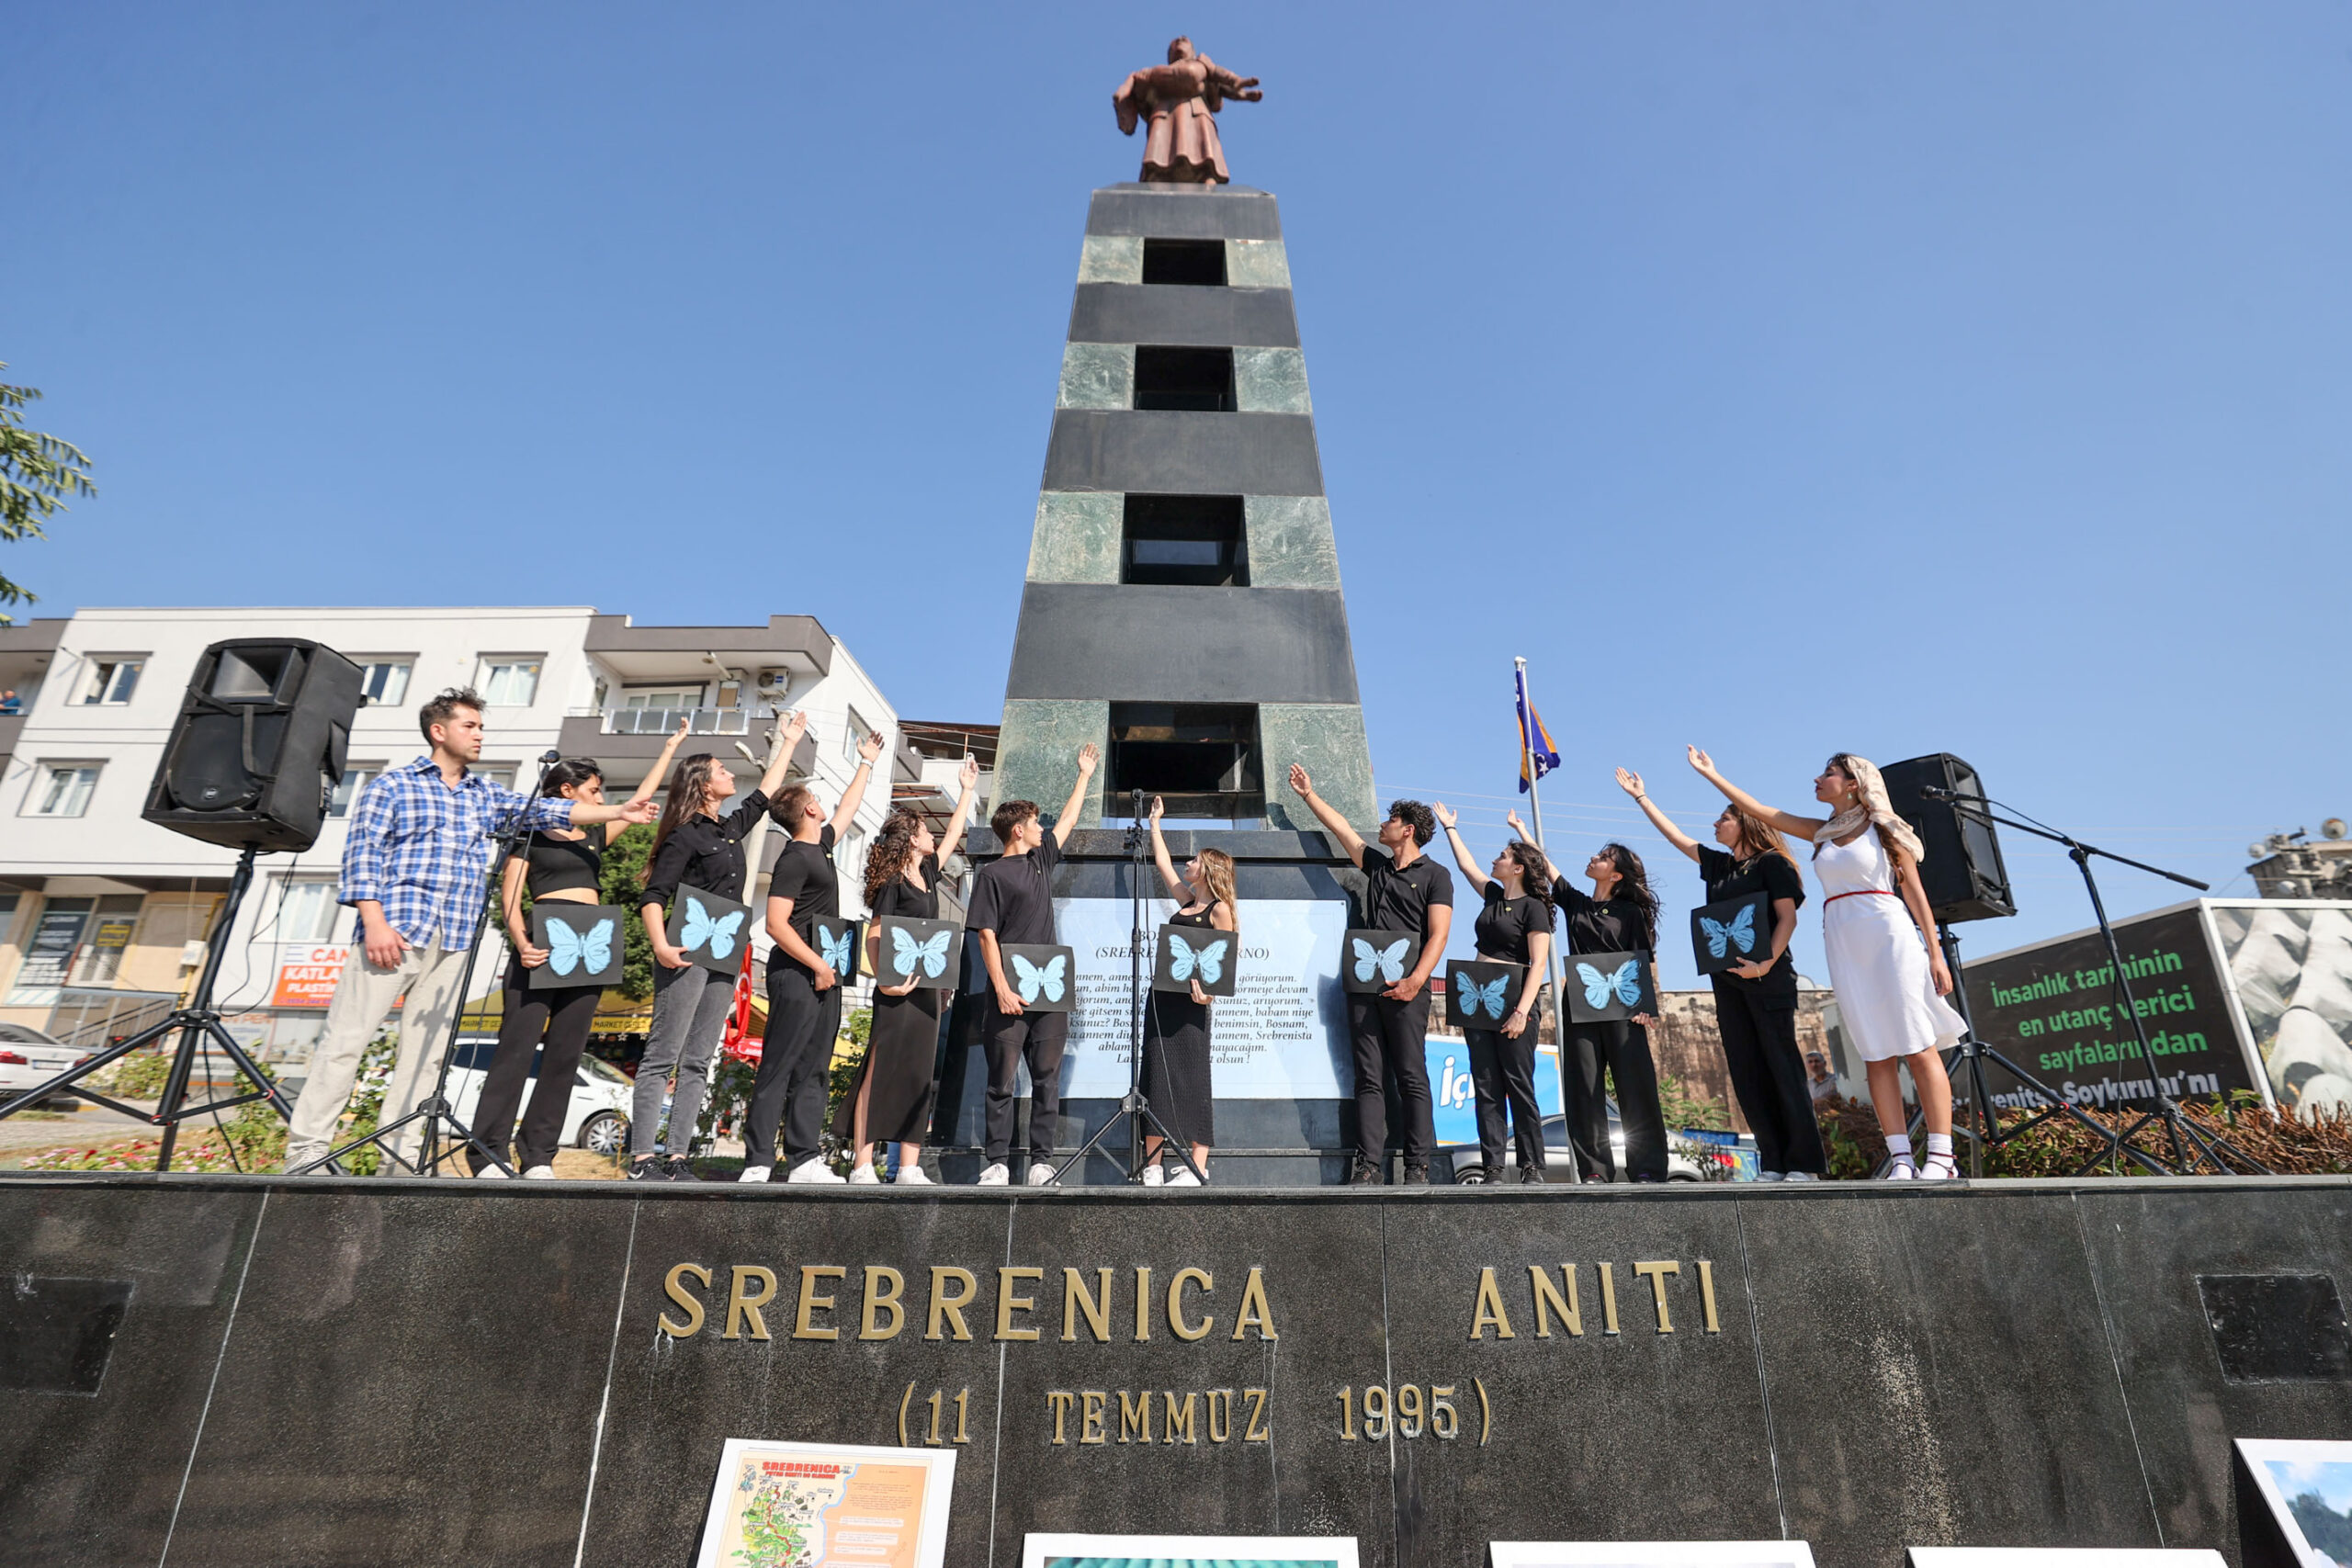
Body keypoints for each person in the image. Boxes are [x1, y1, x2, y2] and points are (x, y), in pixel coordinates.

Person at [281, 688, 661, 1174]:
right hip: (394, 932)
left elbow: (553, 812)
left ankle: (399, 1160)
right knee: (346, 1043)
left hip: (455, 938)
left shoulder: (485, 794)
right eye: (470, 726)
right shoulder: (392, 786)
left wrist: (618, 812)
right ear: (439, 731)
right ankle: (308, 1151)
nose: (480, 735)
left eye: (481, 726)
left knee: (425, 1056)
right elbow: (362, 856)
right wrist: (373, 922)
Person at [1685, 747, 1965, 1180]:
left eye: (1829, 773)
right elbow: (1759, 811)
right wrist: (1712, 774)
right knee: (1875, 1051)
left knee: (1917, 1044)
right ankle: (1901, 1158)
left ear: (1854, 783)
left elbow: (1915, 892)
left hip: (1888, 931)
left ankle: (1942, 1157)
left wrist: (1935, 952)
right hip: (1843, 939)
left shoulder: (1885, 828)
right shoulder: (1821, 832)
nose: (1818, 778)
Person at [470, 725, 685, 1179]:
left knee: (566, 1054)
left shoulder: (593, 837)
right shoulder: (530, 834)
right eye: (593, 791)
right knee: (516, 1048)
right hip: (543, 939)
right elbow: (511, 897)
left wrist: (669, 749)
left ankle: (538, 1156)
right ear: (566, 791)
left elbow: (637, 803)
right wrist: (522, 943)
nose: (600, 798)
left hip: (592, 942)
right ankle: (487, 1151)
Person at [1621, 766, 1828, 1181]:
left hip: (1768, 978)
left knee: (1782, 1067)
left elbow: (1788, 919)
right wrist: (1641, 797)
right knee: (1747, 1071)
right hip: (1728, 982)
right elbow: (1677, 838)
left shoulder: (1773, 864)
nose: (1716, 824)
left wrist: (1764, 964)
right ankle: (1773, 1161)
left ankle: (1804, 1163)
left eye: (1724, 818)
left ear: (1745, 823)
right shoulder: (1718, 866)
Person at [629, 711, 808, 1181]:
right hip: (685, 949)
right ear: (704, 784)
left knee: (698, 1059)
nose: (730, 774)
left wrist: (788, 743)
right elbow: (654, 895)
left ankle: (677, 1157)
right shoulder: (683, 834)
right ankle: (643, 1159)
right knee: (663, 1054)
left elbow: (765, 795)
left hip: (725, 951)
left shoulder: (728, 829)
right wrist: (661, 946)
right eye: (722, 770)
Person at [1288, 765, 1453, 1186]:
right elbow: (1343, 830)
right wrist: (1308, 794)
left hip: (1409, 988)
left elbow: (1439, 934)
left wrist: (1416, 980)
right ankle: (1368, 1166)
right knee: (1368, 1078)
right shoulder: (1378, 866)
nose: (1382, 824)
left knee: (1411, 1077)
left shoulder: (1436, 875)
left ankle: (1417, 1166)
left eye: (1391, 820)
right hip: (1365, 987)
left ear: (1408, 830)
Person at [745, 726, 888, 1184]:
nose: (824, 805)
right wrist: (818, 964)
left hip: (827, 974)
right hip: (798, 974)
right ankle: (758, 1161)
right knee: (779, 1065)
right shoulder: (793, 857)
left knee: (815, 1068)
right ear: (808, 809)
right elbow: (775, 924)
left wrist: (866, 762)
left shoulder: (821, 847)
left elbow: (848, 808)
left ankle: (804, 1159)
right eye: (816, 799)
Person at [837, 753, 982, 1185]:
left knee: (918, 1076)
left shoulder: (929, 873)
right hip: (896, 991)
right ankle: (862, 1165)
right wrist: (887, 983)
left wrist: (968, 790)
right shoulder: (893, 882)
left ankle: (908, 1166)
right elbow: (875, 934)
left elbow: (953, 835)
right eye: (924, 830)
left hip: (927, 994)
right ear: (911, 840)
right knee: (880, 1072)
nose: (931, 835)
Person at [1501, 808, 1668, 1183]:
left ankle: (1648, 1168)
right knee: (1584, 1088)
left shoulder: (1630, 912)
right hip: (1579, 1005)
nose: (1595, 858)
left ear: (1616, 874)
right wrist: (1522, 830)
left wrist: (1646, 1006)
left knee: (1635, 1086)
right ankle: (1594, 1169)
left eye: (1604, 857)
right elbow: (1548, 868)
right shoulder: (1577, 903)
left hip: (1624, 1007)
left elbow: (1643, 960)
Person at [969, 744, 1099, 1187]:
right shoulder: (991, 875)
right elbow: (986, 935)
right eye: (1036, 823)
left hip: (1050, 991)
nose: (1043, 829)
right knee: (1001, 1082)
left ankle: (1042, 1162)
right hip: (1009, 993)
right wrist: (1002, 989)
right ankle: (997, 1162)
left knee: (1047, 1079)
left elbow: (1068, 821)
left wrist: (1084, 775)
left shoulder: (1041, 860)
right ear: (1018, 830)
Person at [1433, 806, 1555, 1184]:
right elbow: (1468, 866)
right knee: (1486, 1086)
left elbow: (1538, 963)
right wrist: (1450, 828)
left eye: (1502, 856)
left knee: (1518, 1085)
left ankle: (1531, 1166)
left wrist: (1521, 1011)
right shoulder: (1493, 897)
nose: (1495, 860)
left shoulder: (1534, 908)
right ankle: (1493, 1167)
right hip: (1479, 1002)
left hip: (1514, 1003)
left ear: (1518, 867)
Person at [1139, 795, 1238, 1187]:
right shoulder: (1186, 902)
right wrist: (1155, 824)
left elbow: (1226, 956)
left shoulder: (1219, 909)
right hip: (1162, 999)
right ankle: (1152, 1165)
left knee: (1194, 1080)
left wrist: (1209, 995)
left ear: (1209, 869)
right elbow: (1163, 864)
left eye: (1194, 860)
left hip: (1192, 1006)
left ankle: (1198, 1166)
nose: (1187, 863)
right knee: (1156, 1076)